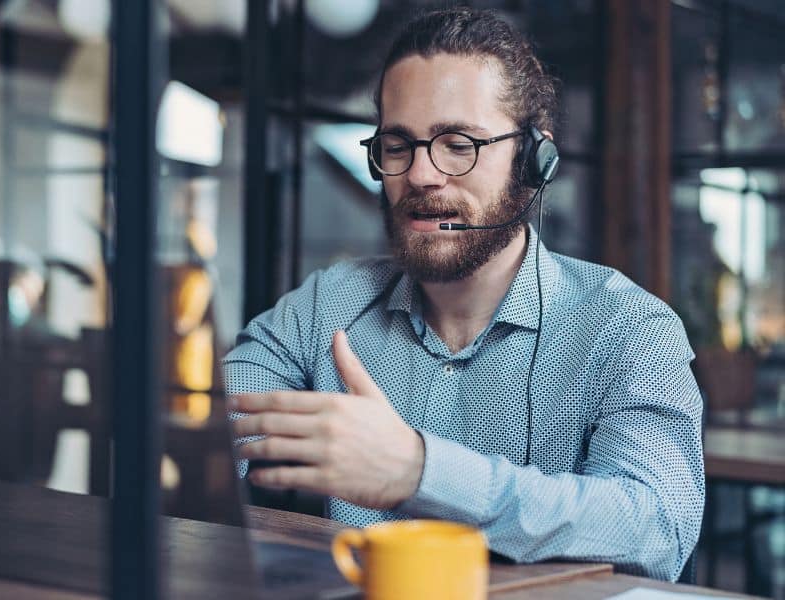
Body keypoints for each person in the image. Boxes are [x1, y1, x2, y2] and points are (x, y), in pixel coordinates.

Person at [224, 7, 703, 582]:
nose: (422, 174)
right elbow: (209, 421)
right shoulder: (329, 305)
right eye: (399, 145)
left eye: (458, 143)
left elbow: (655, 529)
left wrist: (420, 471)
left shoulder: (629, 328)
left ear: (534, 160)